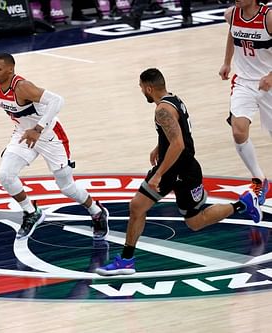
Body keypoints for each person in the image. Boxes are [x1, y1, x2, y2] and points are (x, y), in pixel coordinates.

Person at [95, 68, 262, 276]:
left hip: (179, 169)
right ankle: (126, 261)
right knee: (141, 207)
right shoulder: (173, 99)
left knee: (192, 221)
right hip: (180, 167)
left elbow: (178, 144)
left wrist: (158, 174)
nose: (141, 91)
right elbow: (174, 133)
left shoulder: (161, 110)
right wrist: (159, 146)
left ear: (149, 88)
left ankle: (243, 204)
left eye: (141, 88)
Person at [0, 53, 108, 240]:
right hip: (23, 134)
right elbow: (3, 102)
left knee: (66, 187)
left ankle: (96, 211)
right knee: (5, 175)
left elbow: (57, 101)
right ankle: (31, 212)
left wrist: (38, 129)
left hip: (49, 136)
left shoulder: (23, 87)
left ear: (10, 70)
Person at [219, 0, 271, 206]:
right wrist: (226, 62)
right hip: (244, 82)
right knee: (238, 131)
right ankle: (259, 180)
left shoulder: (268, 17)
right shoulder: (231, 14)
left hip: (269, 83)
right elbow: (233, 34)